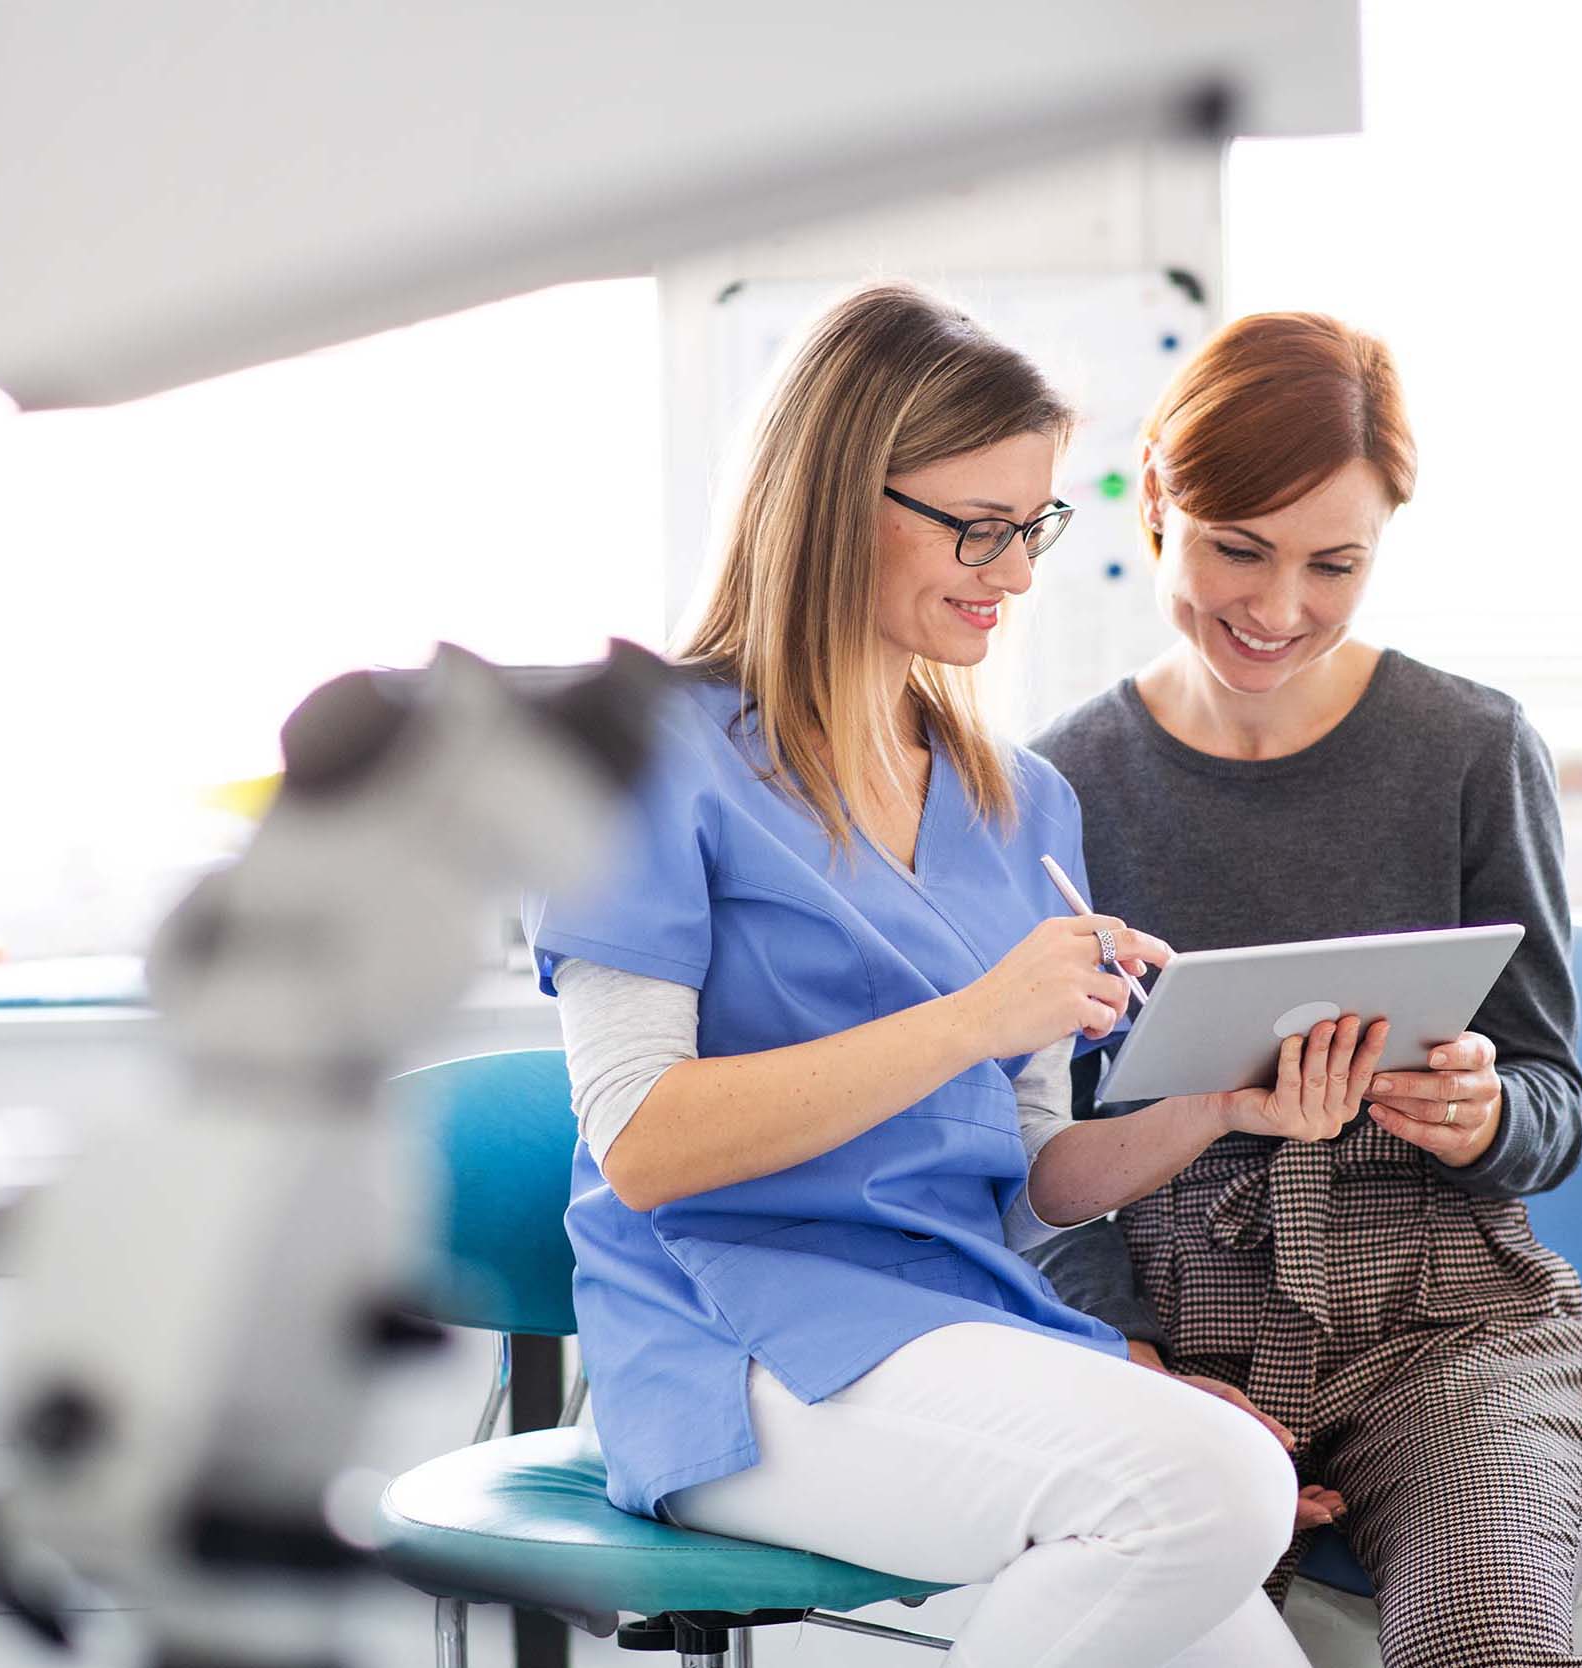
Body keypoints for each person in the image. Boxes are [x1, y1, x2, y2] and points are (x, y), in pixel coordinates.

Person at [524, 284, 1396, 1667]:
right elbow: (640, 1145)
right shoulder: (638, 759)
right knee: (1209, 1488)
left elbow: (1038, 1171)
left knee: (1245, 1609)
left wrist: (1215, 1113)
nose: (1015, 571)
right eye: (977, 529)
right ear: (826, 500)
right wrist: (977, 1017)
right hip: (729, 1346)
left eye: (1032, 526)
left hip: (956, 1318)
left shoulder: (1019, 805)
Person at [1026, 311, 1582, 1668]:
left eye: (1333, 564)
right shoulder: (1054, 790)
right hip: (1176, 1333)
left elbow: (1548, 1101)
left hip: (1447, 1324)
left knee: (1483, 1644)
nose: (1276, 608)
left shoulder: (1469, 748)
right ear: (1160, 497)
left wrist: (1483, 1118)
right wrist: (1135, 1368)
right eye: (1237, 548)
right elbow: (1032, 1165)